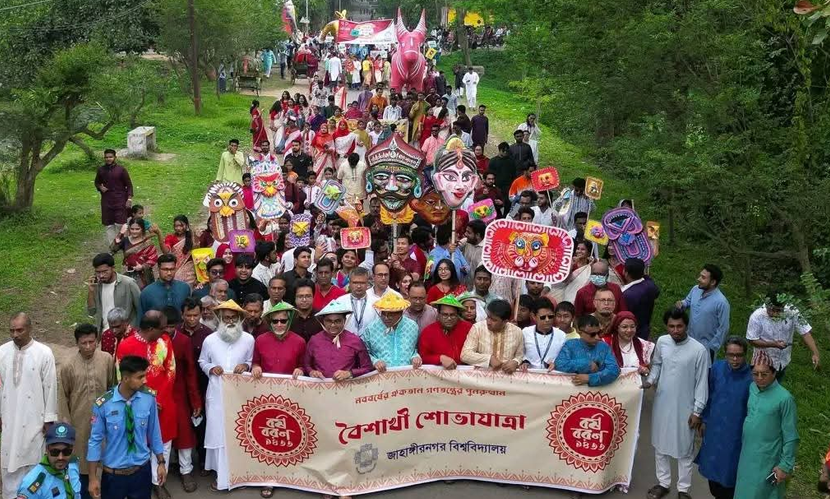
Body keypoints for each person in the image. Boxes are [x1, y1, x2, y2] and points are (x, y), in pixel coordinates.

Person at [643, 308, 710, 499]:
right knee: (660, 444)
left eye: (679, 326)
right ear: (666, 326)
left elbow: (701, 382)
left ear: (686, 325)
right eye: (671, 326)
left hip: (686, 407)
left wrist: (697, 410)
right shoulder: (663, 342)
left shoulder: (698, 350)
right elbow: (656, 365)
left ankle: (683, 490)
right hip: (662, 403)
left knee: (685, 449)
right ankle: (663, 483)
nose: (675, 330)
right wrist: (650, 380)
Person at [115, 311, 176, 499]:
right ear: (150, 329)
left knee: (163, 441)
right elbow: (122, 378)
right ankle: (139, 483)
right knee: (138, 441)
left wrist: (160, 399)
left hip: (163, 402)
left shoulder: (164, 341)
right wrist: (147, 400)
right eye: (162, 327)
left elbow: (171, 370)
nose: (166, 330)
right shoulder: (126, 345)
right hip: (135, 404)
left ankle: (159, 482)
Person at [87, 356, 166, 499]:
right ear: (125, 378)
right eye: (140, 377)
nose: (145, 380)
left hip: (141, 472)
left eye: (145, 375)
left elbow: (154, 432)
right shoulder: (104, 404)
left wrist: (161, 462)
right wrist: (92, 478)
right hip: (114, 475)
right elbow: (95, 441)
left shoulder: (149, 399)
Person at [198, 300, 254, 491]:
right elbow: (202, 360)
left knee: (239, 432)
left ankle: (239, 474)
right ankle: (221, 475)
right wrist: (211, 368)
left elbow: (252, 361)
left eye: (233, 318)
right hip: (216, 393)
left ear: (239, 319)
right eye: (226, 318)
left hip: (241, 396)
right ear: (219, 319)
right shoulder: (210, 340)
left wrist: (245, 366)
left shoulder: (248, 339)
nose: (229, 321)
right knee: (220, 433)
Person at [1, 313, 58, 499]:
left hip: (35, 421)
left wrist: (49, 420)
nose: (15, 334)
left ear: (30, 329)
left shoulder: (43, 353)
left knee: (34, 465)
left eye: (20, 330)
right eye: (12, 330)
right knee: (9, 465)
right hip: (9, 420)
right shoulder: (2, 352)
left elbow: (50, 387)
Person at [57, 324, 115, 499]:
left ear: (97, 341)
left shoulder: (107, 359)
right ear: (77, 343)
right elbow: (62, 398)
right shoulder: (68, 366)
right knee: (82, 462)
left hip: (104, 420)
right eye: (84, 343)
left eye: (92, 342)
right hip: (79, 423)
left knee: (108, 460)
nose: (88, 346)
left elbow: (112, 388)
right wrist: (65, 425)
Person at [733, 354, 799, 499]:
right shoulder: (752, 388)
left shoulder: (785, 399)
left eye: (764, 374)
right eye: (755, 374)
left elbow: (791, 436)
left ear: (774, 373)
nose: (759, 378)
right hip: (747, 456)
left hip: (767, 459)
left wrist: (785, 466)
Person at [694, 337, 753, 499]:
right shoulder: (717, 368)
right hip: (714, 429)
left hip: (736, 434)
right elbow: (709, 395)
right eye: (731, 354)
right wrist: (704, 419)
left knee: (729, 476)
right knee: (712, 474)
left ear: (745, 355)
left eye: (739, 355)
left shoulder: (752, 378)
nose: (735, 359)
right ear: (725, 354)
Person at [162, 309, 202, 493]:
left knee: (184, 434)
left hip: (179, 394)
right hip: (160, 394)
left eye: (172, 326)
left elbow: (191, 372)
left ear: (178, 324)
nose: (169, 330)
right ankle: (158, 476)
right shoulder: (155, 342)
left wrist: (195, 401)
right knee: (161, 436)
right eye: (165, 326)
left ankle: (186, 471)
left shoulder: (183, 341)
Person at [746, 290, 820, 379]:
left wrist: (815, 353)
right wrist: (774, 344)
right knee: (760, 388)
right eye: (772, 309)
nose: (775, 313)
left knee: (776, 387)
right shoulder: (757, 316)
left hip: (782, 361)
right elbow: (752, 340)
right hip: (763, 361)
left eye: (778, 310)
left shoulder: (792, 312)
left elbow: (805, 332)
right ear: (766, 305)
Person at [304, 295, 373, 379]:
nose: (333, 325)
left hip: (348, 389)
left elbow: (368, 368)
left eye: (337, 321)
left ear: (344, 321)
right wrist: (312, 372)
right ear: (323, 322)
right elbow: (306, 365)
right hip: (321, 389)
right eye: (329, 321)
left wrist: (349, 373)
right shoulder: (314, 340)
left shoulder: (355, 341)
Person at [674, 264, 730, 360]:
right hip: (688, 341)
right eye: (700, 275)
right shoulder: (696, 289)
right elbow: (688, 301)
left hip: (706, 349)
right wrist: (682, 304)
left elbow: (723, 328)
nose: (699, 279)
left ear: (712, 282)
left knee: (702, 374)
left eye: (703, 277)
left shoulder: (721, 302)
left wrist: (712, 347)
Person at [16, 423, 81, 499]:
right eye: (55, 452)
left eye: (66, 452)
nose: (60, 457)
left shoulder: (72, 465)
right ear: (47, 449)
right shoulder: (32, 483)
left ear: (72, 449)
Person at [461, 300, 524, 373]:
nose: (488, 322)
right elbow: (465, 355)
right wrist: (489, 359)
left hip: (507, 380)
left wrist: (516, 362)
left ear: (505, 321)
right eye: (488, 317)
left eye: (494, 320)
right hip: (482, 379)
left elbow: (520, 355)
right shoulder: (478, 328)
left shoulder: (517, 332)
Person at [554, 315, 619, 386]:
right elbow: (560, 364)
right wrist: (587, 364)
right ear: (579, 331)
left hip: (599, 394)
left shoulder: (604, 347)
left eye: (599, 333)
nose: (597, 337)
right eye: (592, 334)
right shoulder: (570, 345)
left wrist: (589, 378)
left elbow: (614, 370)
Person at [363, 294, 422, 371]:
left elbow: (416, 349)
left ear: (401, 312)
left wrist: (416, 357)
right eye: (383, 313)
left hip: (407, 376)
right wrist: (375, 361)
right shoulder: (371, 329)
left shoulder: (412, 327)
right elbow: (364, 353)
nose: (386, 318)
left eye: (391, 314)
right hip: (381, 376)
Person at [87, 252, 141, 332]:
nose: (101, 275)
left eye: (105, 271)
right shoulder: (97, 286)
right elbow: (91, 312)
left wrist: (137, 330)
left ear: (113, 268)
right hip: (105, 333)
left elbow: (140, 308)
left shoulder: (128, 283)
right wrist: (91, 291)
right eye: (98, 272)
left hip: (126, 333)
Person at [416, 295, 472, 369]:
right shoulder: (428, 332)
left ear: (458, 315)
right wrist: (440, 358)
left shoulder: (468, 328)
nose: (449, 318)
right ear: (438, 314)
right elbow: (422, 357)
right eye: (445, 315)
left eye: (452, 315)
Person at [95, 149, 134, 243]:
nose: (108, 159)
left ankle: (123, 244)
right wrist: (100, 187)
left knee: (121, 223)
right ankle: (112, 247)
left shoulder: (121, 170)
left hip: (120, 199)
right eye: (106, 157)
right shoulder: (101, 170)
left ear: (115, 157)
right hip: (107, 200)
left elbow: (129, 185)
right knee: (109, 225)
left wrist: (129, 198)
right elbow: (97, 182)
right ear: (104, 158)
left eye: (110, 157)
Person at [110, 218, 159, 289]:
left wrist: (142, 266)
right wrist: (120, 233)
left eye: (137, 229)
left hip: (144, 275)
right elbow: (113, 249)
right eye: (132, 229)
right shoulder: (125, 240)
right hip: (128, 272)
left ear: (142, 229)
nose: (134, 231)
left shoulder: (147, 242)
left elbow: (153, 258)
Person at [520, 297, 567, 371]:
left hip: (551, 375)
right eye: (543, 317)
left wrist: (556, 363)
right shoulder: (525, 332)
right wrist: (524, 361)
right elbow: (519, 353)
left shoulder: (561, 335)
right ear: (534, 316)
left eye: (550, 316)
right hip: (529, 374)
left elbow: (564, 358)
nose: (547, 320)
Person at [622, 258, 660, 340]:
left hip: (631, 333)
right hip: (645, 329)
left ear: (626, 273)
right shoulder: (650, 285)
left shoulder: (627, 295)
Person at [159, 215, 198, 287]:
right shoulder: (171, 238)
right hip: (175, 267)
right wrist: (159, 235)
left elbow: (197, 252)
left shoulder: (192, 237)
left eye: (181, 225)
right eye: (176, 226)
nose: (178, 228)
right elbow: (166, 252)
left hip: (190, 268)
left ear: (187, 225)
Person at [344, 268, 379, 337]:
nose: (359, 286)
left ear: (367, 283)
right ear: (349, 283)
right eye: (355, 282)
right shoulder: (340, 302)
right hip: (347, 344)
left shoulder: (377, 302)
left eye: (362, 283)